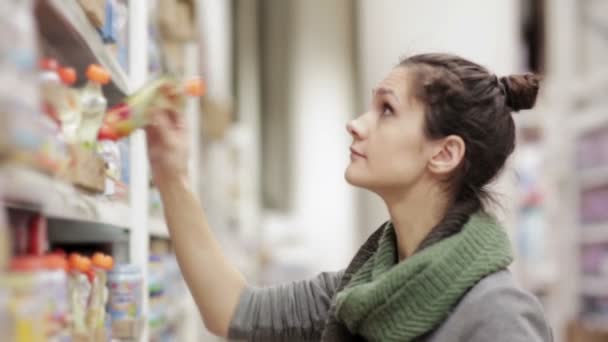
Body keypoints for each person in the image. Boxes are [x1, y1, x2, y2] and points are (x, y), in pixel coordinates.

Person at [146, 53, 553, 342]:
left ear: (444, 153)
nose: (356, 124)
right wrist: (171, 175)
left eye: (386, 110)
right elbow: (232, 311)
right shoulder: (361, 292)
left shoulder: (498, 315)